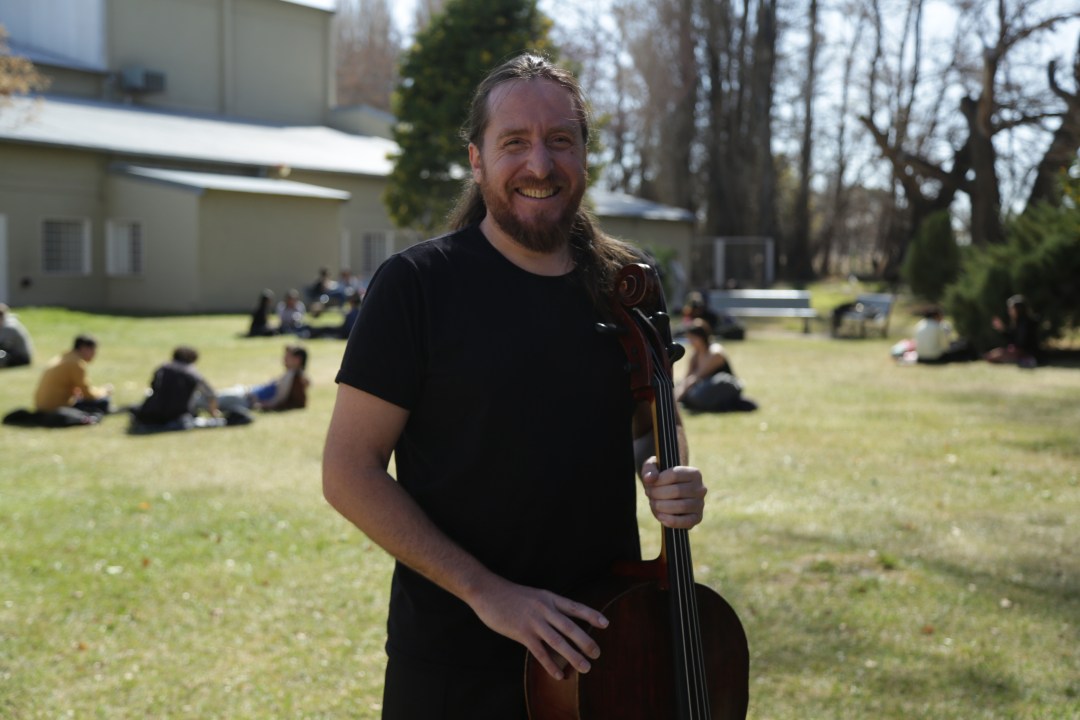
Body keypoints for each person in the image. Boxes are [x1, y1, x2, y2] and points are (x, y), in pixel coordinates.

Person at [322, 54, 708, 719]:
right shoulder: (417, 286)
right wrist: (487, 592)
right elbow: (347, 471)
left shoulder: (628, 284)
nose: (540, 163)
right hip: (455, 667)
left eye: (560, 140)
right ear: (477, 160)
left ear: (584, 154)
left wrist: (665, 474)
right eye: (514, 142)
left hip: (605, 654)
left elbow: (651, 426)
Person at [131, 346, 221, 429]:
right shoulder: (191, 373)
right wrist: (213, 414)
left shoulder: (162, 369)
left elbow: (153, 387)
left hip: (150, 413)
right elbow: (210, 395)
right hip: (177, 416)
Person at [676, 320, 757, 412]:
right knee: (676, 385)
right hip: (702, 386)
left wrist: (678, 397)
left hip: (722, 385)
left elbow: (696, 377)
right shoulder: (695, 354)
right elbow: (687, 378)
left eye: (693, 338)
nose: (691, 342)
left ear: (702, 337)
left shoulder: (715, 352)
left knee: (697, 393)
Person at [211, 344, 309, 413]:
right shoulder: (290, 375)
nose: (284, 359)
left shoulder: (295, 377)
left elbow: (284, 400)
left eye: (287, 356)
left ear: (297, 360)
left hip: (247, 399)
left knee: (212, 399)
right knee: (215, 397)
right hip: (247, 393)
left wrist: (264, 405)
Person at [34, 334, 113, 415]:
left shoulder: (64, 357)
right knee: (104, 401)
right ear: (84, 348)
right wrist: (103, 391)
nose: (94, 354)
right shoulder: (76, 363)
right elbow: (88, 394)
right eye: (93, 350)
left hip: (42, 406)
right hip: (57, 408)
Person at [985, 294, 1041, 367]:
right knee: (991, 355)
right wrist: (1002, 329)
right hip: (1018, 352)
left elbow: (1019, 343)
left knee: (993, 356)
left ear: (1018, 309)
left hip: (1027, 354)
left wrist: (1003, 330)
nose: (1009, 311)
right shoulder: (1018, 322)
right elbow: (1013, 339)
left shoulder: (1026, 323)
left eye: (1011, 309)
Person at [908, 307, 975, 364]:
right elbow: (945, 347)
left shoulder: (919, 324)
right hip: (935, 358)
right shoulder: (938, 326)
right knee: (964, 345)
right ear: (936, 316)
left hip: (921, 358)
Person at [0, 303, 34, 368]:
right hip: (12, 353)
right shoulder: (6, 323)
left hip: (21, 358)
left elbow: (2, 344)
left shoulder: (9, 327)